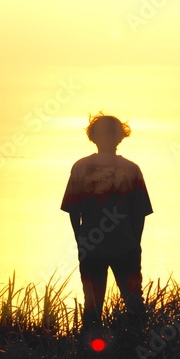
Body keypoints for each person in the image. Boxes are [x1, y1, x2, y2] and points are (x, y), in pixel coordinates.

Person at [60, 113, 153, 333]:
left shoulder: (80, 167)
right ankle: (136, 349)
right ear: (120, 137)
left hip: (92, 247)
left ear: (93, 137)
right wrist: (135, 243)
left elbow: (73, 209)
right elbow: (139, 212)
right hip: (125, 247)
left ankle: (91, 355)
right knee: (133, 304)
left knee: (92, 305)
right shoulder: (131, 170)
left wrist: (80, 239)